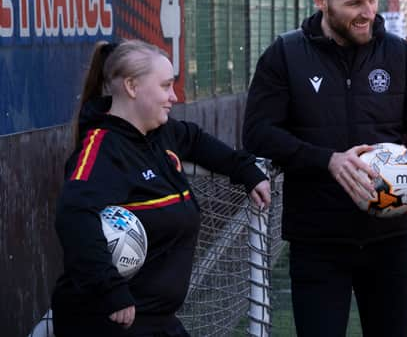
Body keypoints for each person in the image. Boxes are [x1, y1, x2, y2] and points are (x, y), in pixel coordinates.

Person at [242, 0, 407, 336]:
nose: (368, 13)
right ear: (321, 0)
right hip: (317, 238)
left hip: (392, 238)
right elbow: (257, 134)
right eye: (354, 4)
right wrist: (328, 160)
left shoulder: (399, 55)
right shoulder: (284, 55)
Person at [51, 39, 271, 337]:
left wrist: (245, 169)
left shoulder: (160, 134)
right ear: (131, 86)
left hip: (156, 320)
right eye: (166, 86)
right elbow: (73, 215)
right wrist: (110, 290)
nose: (174, 96)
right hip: (110, 321)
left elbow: (194, 139)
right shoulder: (102, 149)